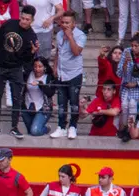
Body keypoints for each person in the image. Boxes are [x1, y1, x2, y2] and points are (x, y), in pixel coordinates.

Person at [0, 5, 39, 139]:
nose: (24, 21)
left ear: (32, 21)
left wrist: (32, 52)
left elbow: (26, 60)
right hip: (0, 66)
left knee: (16, 98)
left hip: (16, 68)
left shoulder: (32, 36)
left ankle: (14, 127)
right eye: (22, 18)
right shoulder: (9, 24)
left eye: (27, 20)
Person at [49, 11, 84, 140]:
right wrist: (55, 67)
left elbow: (76, 52)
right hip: (61, 73)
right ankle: (61, 127)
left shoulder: (80, 35)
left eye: (67, 23)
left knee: (74, 103)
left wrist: (70, 37)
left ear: (74, 23)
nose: (64, 25)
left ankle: (73, 127)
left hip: (74, 73)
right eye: (62, 22)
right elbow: (58, 52)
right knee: (61, 103)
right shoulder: (59, 34)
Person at [21, 57, 56, 137]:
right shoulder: (29, 74)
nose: (37, 69)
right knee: (30, 132)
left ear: (45, 67)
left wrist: (40, 84)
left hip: (43, 108)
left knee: (35, 131)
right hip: (28, 106)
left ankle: (46, 129)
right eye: (35, 66)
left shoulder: (49, 77)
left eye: (40, 67)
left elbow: (50, 93)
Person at [116, 35, 139, 136]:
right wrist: (125, 64)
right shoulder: (127, 51)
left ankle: (130, 131)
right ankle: (124, 129)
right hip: (126, 86)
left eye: (136, 46)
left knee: (133, 105)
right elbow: (120, 73)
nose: (133, 48)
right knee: (124, 105)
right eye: (132, 45)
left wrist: (136, 83)